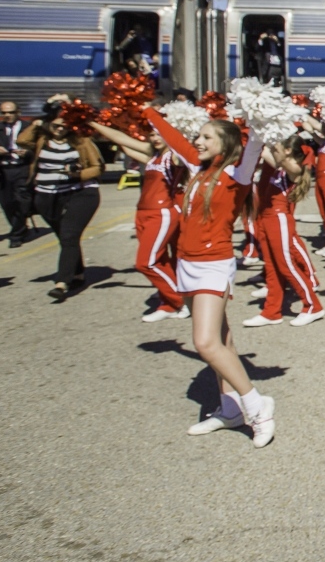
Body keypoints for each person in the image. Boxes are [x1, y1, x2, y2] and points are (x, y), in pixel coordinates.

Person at [142, 105, 274, 446]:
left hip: (213, 264)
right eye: (197, 135)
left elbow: (256, 144)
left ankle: (257, 406)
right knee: (222, 341)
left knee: (205, 342)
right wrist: (148, 111)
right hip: (187, 263)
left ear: (226, 143)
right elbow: (172, 139)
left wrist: (260, 116)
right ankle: (229, 409)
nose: (197, 141)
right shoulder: (197, 166)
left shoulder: (237, 174)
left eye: (206, 137)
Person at [90, 117, 186, 320]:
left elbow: (178, 144)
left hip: (162, 213)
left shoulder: (175, 157)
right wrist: (91, 123)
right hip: (142, 212)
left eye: (160, 133)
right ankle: (168, 303)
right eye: (152, 134)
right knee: (159, 259)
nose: (155, 137)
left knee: (146, 262)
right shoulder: (152, 156)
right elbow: (122, 140)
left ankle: (179, 300)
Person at [243, 134, 325, 328]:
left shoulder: (294, 168)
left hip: (279, 219)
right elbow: (265, 151)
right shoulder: (282, 163)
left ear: (288, 151)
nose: (274, 151)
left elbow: (271, 154)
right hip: (268, 218)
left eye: (277, 148)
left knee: (286, 265)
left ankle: (313, 305)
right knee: (271, 266)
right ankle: (272, 311)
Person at [20, 111, 103, 299]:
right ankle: (78, 273)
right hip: (46, 196)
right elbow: (22, 142)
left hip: (80, 193)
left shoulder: (81, 141)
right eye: (55, 125)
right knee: (65, 237)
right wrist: (36, 124)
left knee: (69, 234)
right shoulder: (41, 139)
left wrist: (77, 174)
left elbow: (98, 167)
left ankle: (62, 282)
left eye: (63, 126)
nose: (59, 129)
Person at [0, 100, 34, 246]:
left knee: (22, 201)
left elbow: (39, 147)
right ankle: (21, 228)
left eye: (11, 112)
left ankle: (16, 235)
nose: (7, 115)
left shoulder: (28, 127)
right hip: (2, 170)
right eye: (4, 113)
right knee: (7, 203)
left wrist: (28, 152)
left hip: (21, 168)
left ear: (18, 112)